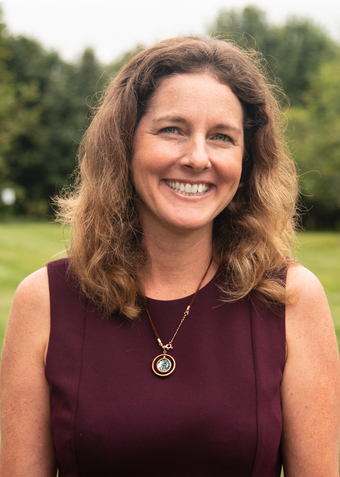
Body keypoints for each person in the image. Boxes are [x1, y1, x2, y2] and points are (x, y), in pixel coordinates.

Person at [0, 35, 339, 477]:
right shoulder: (44, 302)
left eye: (221, 137)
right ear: (125, 144)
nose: (198, 158)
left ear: (247, 160)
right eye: (172, 129)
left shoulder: (290, 299)